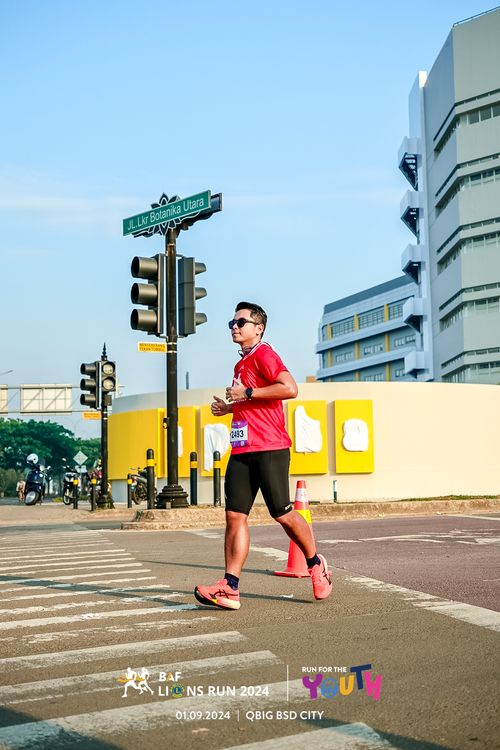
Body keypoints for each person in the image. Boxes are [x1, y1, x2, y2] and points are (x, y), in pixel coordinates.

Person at [194, 302, 332, 610]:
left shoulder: (265, 355)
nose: (234, 327)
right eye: (232, 322)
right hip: (242, 449)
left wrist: (247, 393)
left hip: (270, 447)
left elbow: (289, 388)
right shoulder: (241, 364)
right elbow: (254, 401)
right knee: (234, 516)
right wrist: (230, 408)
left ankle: (315, 564)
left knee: (282, 513)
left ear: (258, 328)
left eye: (241, 322)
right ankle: (230, 587)